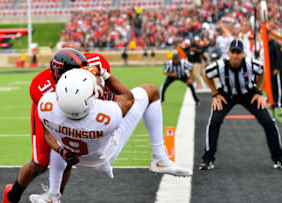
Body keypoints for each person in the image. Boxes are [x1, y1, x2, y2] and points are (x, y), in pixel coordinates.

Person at [30, 67, 192, 202]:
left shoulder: (45, 106)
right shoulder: (107, 116)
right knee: (151, 90)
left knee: (57, 135)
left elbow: (47, 133)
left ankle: (52, 195)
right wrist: (105, 75)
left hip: (70, 155)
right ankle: (159, 158)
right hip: (104, 154)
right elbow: (128, 98)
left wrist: (61, 151)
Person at [2, 48, 112, 203]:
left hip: (83, 107)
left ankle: (55, 197)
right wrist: (60, 149)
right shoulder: (41, 87)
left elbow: (113, 89)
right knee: (40, 163)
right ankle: (13, 195)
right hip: (50, 110)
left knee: (69, 155)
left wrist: (107, 94)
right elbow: (48, 129)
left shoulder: (97, 63)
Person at [199, 39, 282, 170]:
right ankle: (207, 159)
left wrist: (259, 92)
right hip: (226, 95)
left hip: (249, 94)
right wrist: (215, 94)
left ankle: (279, 158)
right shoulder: (220, 65)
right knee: (214, 121)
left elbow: (262, 71)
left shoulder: (250, 64)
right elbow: (206, 73)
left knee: (268, 122)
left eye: (238, 52)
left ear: (243, 54)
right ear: (228, 53)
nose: (235, 55)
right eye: (233, 52)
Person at [267, 36, 282, 108]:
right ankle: (273, 101)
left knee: (277, 86)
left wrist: (277, 68)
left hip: (275, 68)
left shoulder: (275, 44)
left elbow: (279, 56)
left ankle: (278, 103)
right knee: (273, 85)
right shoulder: (268, 44)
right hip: (270, 68)